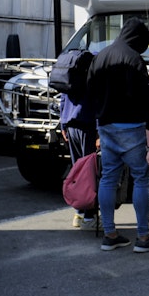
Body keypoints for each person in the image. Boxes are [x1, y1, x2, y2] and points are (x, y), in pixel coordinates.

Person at [86, 17, 149, 252]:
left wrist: (97, 124)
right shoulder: (134, 60)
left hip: (106, 126)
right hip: (132, 127)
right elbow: (147, 99)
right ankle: (143, 236)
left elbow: (90, 92)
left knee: (109, 177)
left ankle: (109, 233)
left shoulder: (100, 56)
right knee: (141, 178)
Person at [59, 89, 98, 229]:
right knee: (89, 172)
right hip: (88, 123)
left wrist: (63, 121)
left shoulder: (73, 67)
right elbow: (97, 96)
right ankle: (89, 216)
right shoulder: (91, 67)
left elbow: (64, 95)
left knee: (78, 170)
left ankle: (79, 213)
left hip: (70, 121)